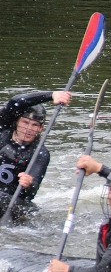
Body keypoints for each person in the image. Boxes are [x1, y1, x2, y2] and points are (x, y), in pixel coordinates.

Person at [0, 90, 72, 220]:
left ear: (40, 129)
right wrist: (52, 95)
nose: (28, 129)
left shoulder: (40, 153)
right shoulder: (3, 129)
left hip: (14, 202)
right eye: (25, 123)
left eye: (34, 125)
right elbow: (15, 102)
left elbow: (32, 190)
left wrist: (29, 182)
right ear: (17, 121)